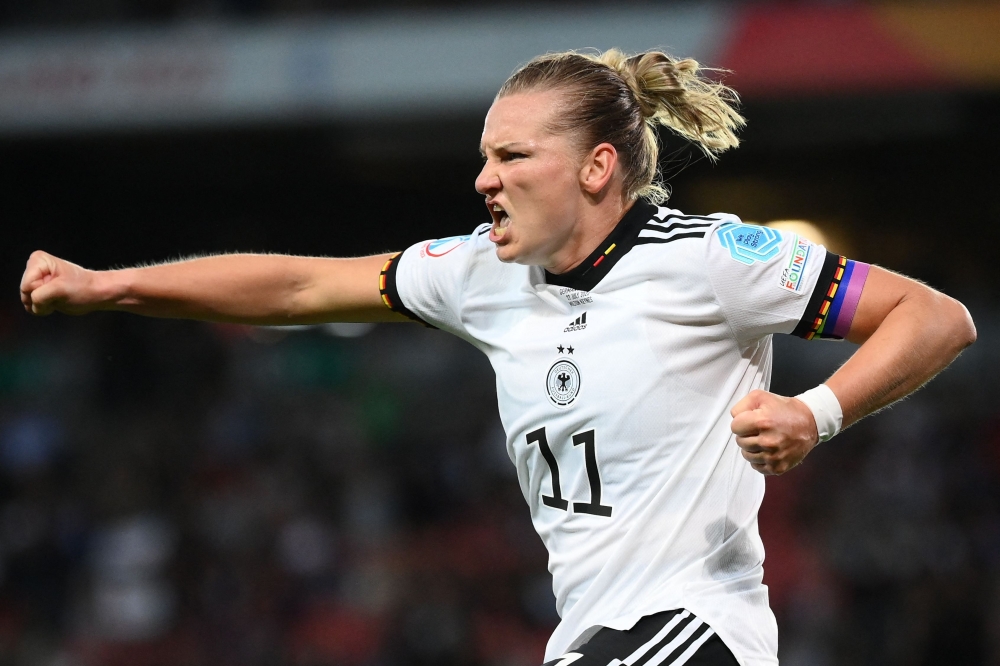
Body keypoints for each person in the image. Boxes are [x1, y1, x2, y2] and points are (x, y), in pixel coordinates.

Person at [20, 49, 976, 666]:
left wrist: (814, 413)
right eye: (485, 157)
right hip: (588, 634)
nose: (485, 179)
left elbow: (933, 317)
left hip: (694, 628)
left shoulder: (710, 260)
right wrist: (112, 285)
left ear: (597, 168)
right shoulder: (481, 274)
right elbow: (303, 287)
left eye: (514, 157)